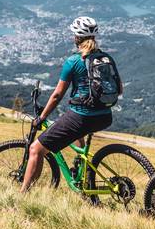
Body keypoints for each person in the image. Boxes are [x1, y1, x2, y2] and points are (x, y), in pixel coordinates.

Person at [20, 16, 122, 191]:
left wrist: (41, 117)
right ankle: (80, 166)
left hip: (82, 117)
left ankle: (22, 194)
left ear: (77, 38)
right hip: (105, 116)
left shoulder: (73, 61)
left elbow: (57, 95)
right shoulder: (105, 58)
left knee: (36, 149)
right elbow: (119, 89)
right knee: (74, 126)